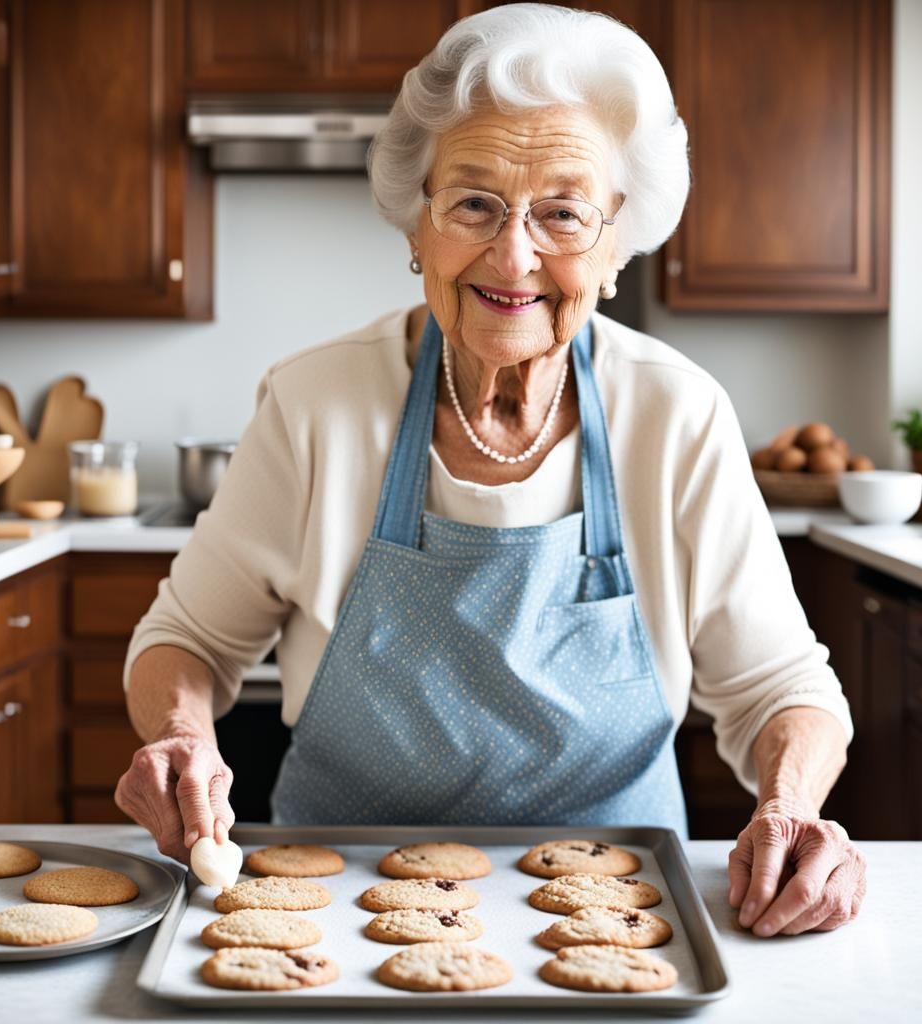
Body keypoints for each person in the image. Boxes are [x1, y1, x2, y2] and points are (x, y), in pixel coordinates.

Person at [115, 3, 866, 938]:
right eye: (473, 203)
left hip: (620, 909)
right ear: (416, 227)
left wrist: (788, 806)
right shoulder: (317, 403)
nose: (514, 254)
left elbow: (784, 689)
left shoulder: (676, 413)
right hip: (336, 913)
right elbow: (184, 638)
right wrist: (184, 739)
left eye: (562, 212)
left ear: (616, 243)